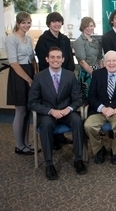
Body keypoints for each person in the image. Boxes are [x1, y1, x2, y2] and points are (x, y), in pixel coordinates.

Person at [28, 47, 86, 180]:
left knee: (78, 121)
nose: (55, 60)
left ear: (63, 59)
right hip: (48, 113)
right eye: (52, 57)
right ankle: (49, 164)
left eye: (58, 57)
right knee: (46, 125)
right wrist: (50, 111)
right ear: (47, 59)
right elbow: (32, 102)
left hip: (66, 111)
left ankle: (78, 159)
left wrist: (69, 109)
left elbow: (78, 98)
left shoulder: (70, 75)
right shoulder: (39, 77)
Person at [84, 51, 116, 165]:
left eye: (114, 60)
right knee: (88, 125)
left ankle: (114, 151)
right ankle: (99, 149)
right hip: (99, 111)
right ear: (104, 63)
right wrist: (102, 108)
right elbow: (91, 96)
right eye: (108, 61)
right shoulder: (97, 74)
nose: (111, 63)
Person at [35, 11, 74, 148]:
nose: (57, 24)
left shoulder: (64, 39)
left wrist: (67, 75)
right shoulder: (43, 39)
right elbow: (43, 60)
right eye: (53, 21)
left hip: (65, 77)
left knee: (63, 103)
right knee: (52, 105)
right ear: (49, 23)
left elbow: (68, 57)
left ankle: (60, 136)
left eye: (59, 21)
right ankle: (52, 138)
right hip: (49, 78)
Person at [5, 11, 37, 155]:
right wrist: (28, 79)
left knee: (28, 110)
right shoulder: (11, 39)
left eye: (28, 22)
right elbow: (14, 63)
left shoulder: (29, 38)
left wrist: (35, 74)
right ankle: (19, 145)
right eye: (23, 22)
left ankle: (26, 143)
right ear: (18, 24)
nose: (26, 25)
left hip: (29, 72)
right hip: (19, 75)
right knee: (21, 111)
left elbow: (32, 59)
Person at [73, 17, 103, 99]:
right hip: (86, 72)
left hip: (96, 70)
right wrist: (93, 73)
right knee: (88, 96)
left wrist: (102, 71)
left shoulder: (95, 41)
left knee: (99, 95)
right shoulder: (79, 41)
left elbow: (100, 58)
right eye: (87, 26)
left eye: (91, 26)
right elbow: (82, 61)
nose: (90, 28)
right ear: (82, 27)